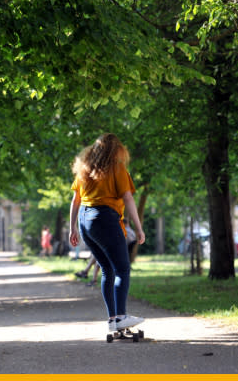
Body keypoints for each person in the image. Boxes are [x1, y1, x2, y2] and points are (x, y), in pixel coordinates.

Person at [68, 133, 146, 334]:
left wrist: (73, 228)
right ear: (116, 150)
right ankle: (120, 317)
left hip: (86, 221)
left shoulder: (84, 169)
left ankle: (113, 320)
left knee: (107, 269)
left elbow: (75, 200)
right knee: (122, 269)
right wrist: (138, 228)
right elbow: (128, 199)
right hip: (104, 218)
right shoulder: (117, 168)